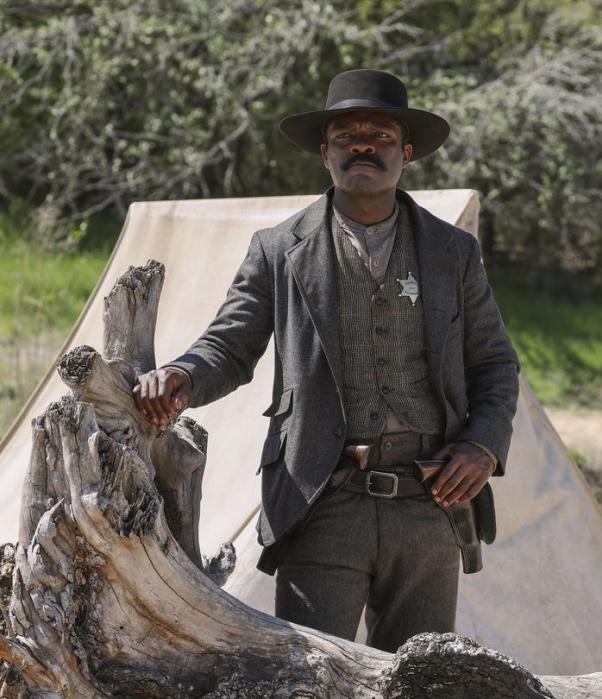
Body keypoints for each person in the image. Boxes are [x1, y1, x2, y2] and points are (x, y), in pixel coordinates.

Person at [131, 68, 520, 652]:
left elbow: (494, 364)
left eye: (380, 135)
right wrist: (183, 375)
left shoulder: (452, 252)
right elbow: (230, 346)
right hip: (322, 496)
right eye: (346, 135)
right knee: (316, 675)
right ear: (325, 152)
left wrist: (482, 446)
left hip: (431, 500)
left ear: (406, 153)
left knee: (421, 680)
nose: (363, 144)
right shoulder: (278, 249)